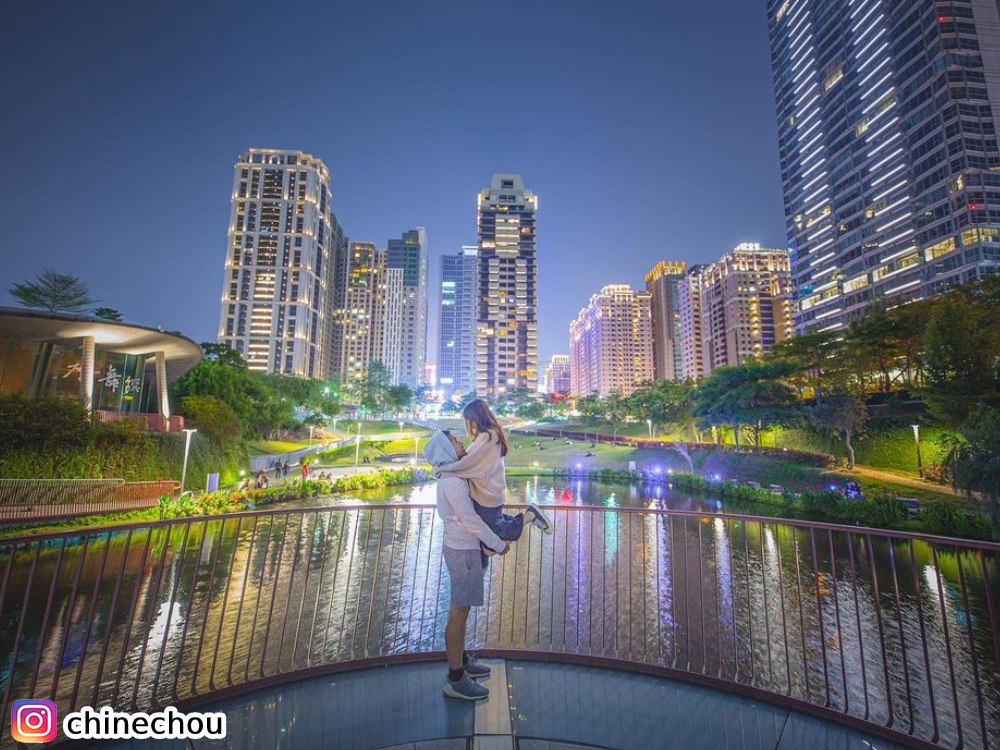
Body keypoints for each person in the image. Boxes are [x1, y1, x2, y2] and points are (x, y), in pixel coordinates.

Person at [424, 430, 509, 701]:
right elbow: (470, 520)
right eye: (455, 440)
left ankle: (461, 661)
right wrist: (497, 544)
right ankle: (456, 679)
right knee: (458, 612)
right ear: (446, 448)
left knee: (461, 610)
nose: (461, 442)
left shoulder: (454, 476)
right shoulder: (451, 481)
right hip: (462, 551)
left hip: (464, 549)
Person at [435, 399, 551, 548]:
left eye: (467, 419)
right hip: (489, 493)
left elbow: (469, 463)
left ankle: (531, 515)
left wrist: (443, 469)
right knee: (490, 535)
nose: (467, 424)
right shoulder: (488, 435)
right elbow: (471, 462)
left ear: (474, 418)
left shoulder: (488, 436)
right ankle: (518, 520)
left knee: (499, 533)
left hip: (487, 494)